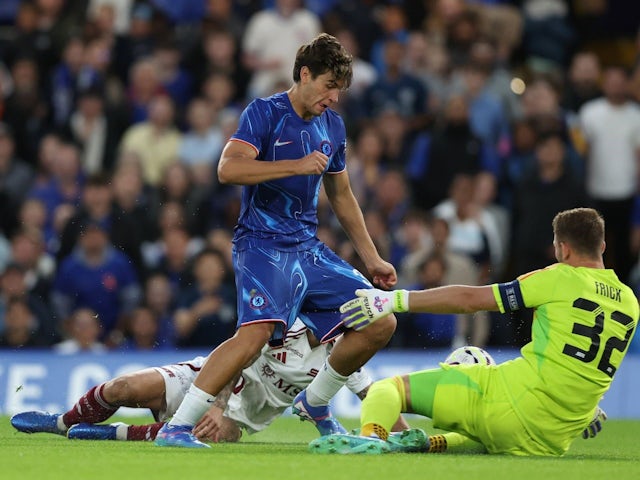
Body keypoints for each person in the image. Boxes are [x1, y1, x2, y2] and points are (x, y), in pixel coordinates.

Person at [155, 33, 398, 448]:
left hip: (307, 247)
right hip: (262, 243)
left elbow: (341, 195)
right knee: (255, 335)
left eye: (339, 90)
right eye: (328, 86)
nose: (334, 97)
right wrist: (296, 166)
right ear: (305, 74)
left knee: (380, 320)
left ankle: (317, 403)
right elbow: (228, 169)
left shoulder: (333, 126)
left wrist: (372, 258)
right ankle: (175, 427)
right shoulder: (264, 113)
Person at [319, 208, 637, 456]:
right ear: (603, 246)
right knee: (484, 434)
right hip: (553, 438)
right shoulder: (629, 303)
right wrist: (585, 412)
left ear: (562, 249)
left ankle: (371, 437)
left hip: (511, 402)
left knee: (387, 390)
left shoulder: (559, 277)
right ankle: (431, 444)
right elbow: (584, 363)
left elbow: (471, 300)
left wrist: (395, 299)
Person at [11, 319, 410, 445]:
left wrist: (408, 439)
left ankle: (112, 434)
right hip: (207, 381)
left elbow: (380, 396)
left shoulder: (344, 354)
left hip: (243, 418)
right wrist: (216, 402)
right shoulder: (284, 324)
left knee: (213, 434)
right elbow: (238, 354)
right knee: (122, 389)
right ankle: (61, 423)